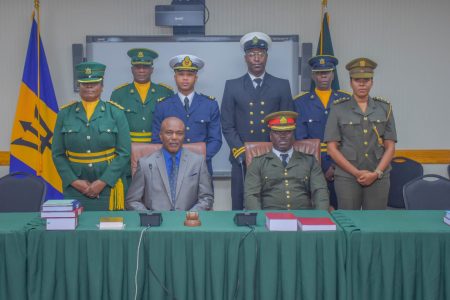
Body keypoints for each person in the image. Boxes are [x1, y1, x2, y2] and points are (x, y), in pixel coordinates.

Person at [221, 31, 293, 210]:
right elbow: (227, 124)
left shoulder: (281, 85)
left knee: (274, 202)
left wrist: (276, 150)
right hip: (242, 157)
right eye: (252, 54)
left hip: (272, 156)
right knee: (240, 204)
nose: (256, 58)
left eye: (260, 54)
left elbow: (289, 123)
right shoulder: (232, 86)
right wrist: (242, 151)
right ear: (245, 57)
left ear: (266, 57)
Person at [52, 62, 131, 211]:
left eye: (94, 83)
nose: (89, 87)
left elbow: (124, 153)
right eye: (84, 83)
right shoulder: (64, 114)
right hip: (75, 186)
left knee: (110, 230)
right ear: (78, 86)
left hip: (109, 184)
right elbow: (57, 154)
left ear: (102, 86)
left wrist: (102, 182)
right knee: (75, 229)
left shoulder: (115, 113)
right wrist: (75, 182)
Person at [324, 57, 397, 210]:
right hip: (347, 176)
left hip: (378, 176)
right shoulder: (338, 108)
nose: (362, 84)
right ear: (351, 82)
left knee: (375, 224)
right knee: (350, 222)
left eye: (367, 80)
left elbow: (390, 147)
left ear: (372, 82)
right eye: (357, 80)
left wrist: (376, 173)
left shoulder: (384, 108)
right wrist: (356, 173)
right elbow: (331, 148)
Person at [293, 55, 350, 209]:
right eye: (319, 73)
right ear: (313, 75)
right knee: (315, 213)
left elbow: (350, 138)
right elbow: (301, 140)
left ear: (333, 74)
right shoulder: (300, 102)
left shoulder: (346, 100)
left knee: (341, 212)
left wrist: (335, 166)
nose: (323, 76)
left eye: (327, 72)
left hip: (342, 167)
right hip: (312, 168)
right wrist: (319, 169)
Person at [152, 54, 222, 175]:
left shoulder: (209, 104)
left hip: (201, 167)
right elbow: (156, 140)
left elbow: (215, 140)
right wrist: (175, 160)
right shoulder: (163, 105)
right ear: (175, 77)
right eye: (181, 74)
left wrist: (197, 160)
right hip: (171, 167)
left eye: (189, 75)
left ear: (196, 78)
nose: (185, 78)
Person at [245, 111, 329, 210]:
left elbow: (320, 191)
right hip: (270, 219)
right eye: (277, 132)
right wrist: (259, 220)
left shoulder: (309, 161)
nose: (283, 136)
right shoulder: (258, 163)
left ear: (294, 135)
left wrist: (321, 219)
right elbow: (251, 196)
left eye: (288, 132)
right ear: (270, 136)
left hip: (303, 217)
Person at [126, 117, 213, 211]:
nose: (174, 137)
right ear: (160, 136)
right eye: (169, 133)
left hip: (188, 222)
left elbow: (206, 198)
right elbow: (132, 201)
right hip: (156, 223)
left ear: (184, 136)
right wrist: (151, 217)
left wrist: (190, 216)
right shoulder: (145, 164)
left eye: (179, 133)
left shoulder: (197, 162)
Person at [110, 48, 174, 143]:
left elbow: (171, 124)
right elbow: (113, 127)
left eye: (145, 67)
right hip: (129, 147)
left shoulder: (165, 92)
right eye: (138, 67)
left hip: (157, 146)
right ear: (132, 70)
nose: (141, 70)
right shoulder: (119, 94)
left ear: (152, 70)